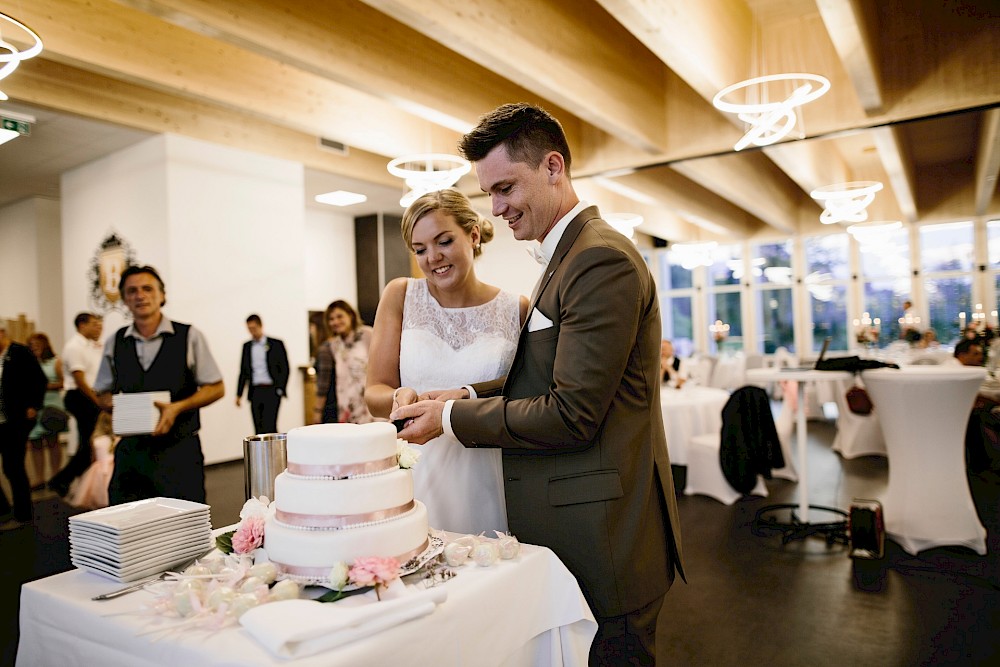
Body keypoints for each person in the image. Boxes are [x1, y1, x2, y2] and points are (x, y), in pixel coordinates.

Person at [391, 103, 685, 664]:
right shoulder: (565, 255)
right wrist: (465, 394)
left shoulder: (598, 258)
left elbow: (572, 410)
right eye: (490, 194)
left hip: (606, 537)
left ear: (553, 167)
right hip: (578, 525)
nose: (496, 209)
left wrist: (450, 420)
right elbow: (545, 373)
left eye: (505, 188)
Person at [367, 189, 528, 535]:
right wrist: (399, 396)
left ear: (472, 235)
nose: (433, 258)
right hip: (419, 468)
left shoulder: (516, 308)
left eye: (443, 241)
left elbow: (525, 396)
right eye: (420, 249)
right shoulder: (400, 295)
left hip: (490, 469)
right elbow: (374, 390)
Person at [94, 265, 224, 504]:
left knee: (185, 526)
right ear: (124, 299)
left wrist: (177, 407)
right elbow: (101, 392)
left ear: (162, 295)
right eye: (132, 291)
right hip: (131, 453)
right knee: (128, 525)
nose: (140, 295)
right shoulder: (115, 342)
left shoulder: (189, 336)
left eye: (147, 288)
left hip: (180, 451)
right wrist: (113, 405)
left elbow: (216, 387)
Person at [48, 312, 104, 498]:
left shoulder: (92, 346)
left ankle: (72, 480)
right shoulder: (74, 347)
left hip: (90, 395)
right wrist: (97, 401)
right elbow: (79, 379)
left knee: (88, 443)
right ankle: (61, 480)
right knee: (88, 442)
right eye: (95, 324)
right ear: (82, 325)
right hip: (81, 397)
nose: (99, 328)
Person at [0, 324, 47, 530]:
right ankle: (2, 508)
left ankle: (23, 512)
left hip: (16, 419)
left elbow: (39, 380)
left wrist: (33, 405)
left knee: (13, 466)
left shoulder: (20, 353)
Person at [313, 300, 374, 424]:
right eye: (331, 319)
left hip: (367, 402)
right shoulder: (334, 345)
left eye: (340, 316)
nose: (335, 322)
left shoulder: (367, 334)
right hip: (345, 404)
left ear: (350, 315)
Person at [26, 333, 68, 489]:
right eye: (31, 344)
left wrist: (42, 386)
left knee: (52, 441)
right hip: (33, 407)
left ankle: (56, 476)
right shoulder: (27, 363)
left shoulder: (55, 362)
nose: (34, 346)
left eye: (37, 344)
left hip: (51, 406)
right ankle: (39, 478)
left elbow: (63, 382)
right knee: (35, 442)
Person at [236, 314, 289, 434]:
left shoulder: (276, 344)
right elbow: (243, 371)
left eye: (254, 328)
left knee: (270, 426)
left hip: (271, 390)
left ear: (260, 326)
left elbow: (285, 368)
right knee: (258, 427)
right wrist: (239, 394)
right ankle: (259, 453)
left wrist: (280, 388)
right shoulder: (247, 347)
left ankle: (274, 452)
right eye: (249, 329)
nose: (252, 332)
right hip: (255, 391)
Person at [66, 411, 117, 510]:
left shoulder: (95, 440)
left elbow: (93, 458)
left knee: (96, 490)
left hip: (98, 467)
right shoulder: (115, 439)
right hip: (112, 466)